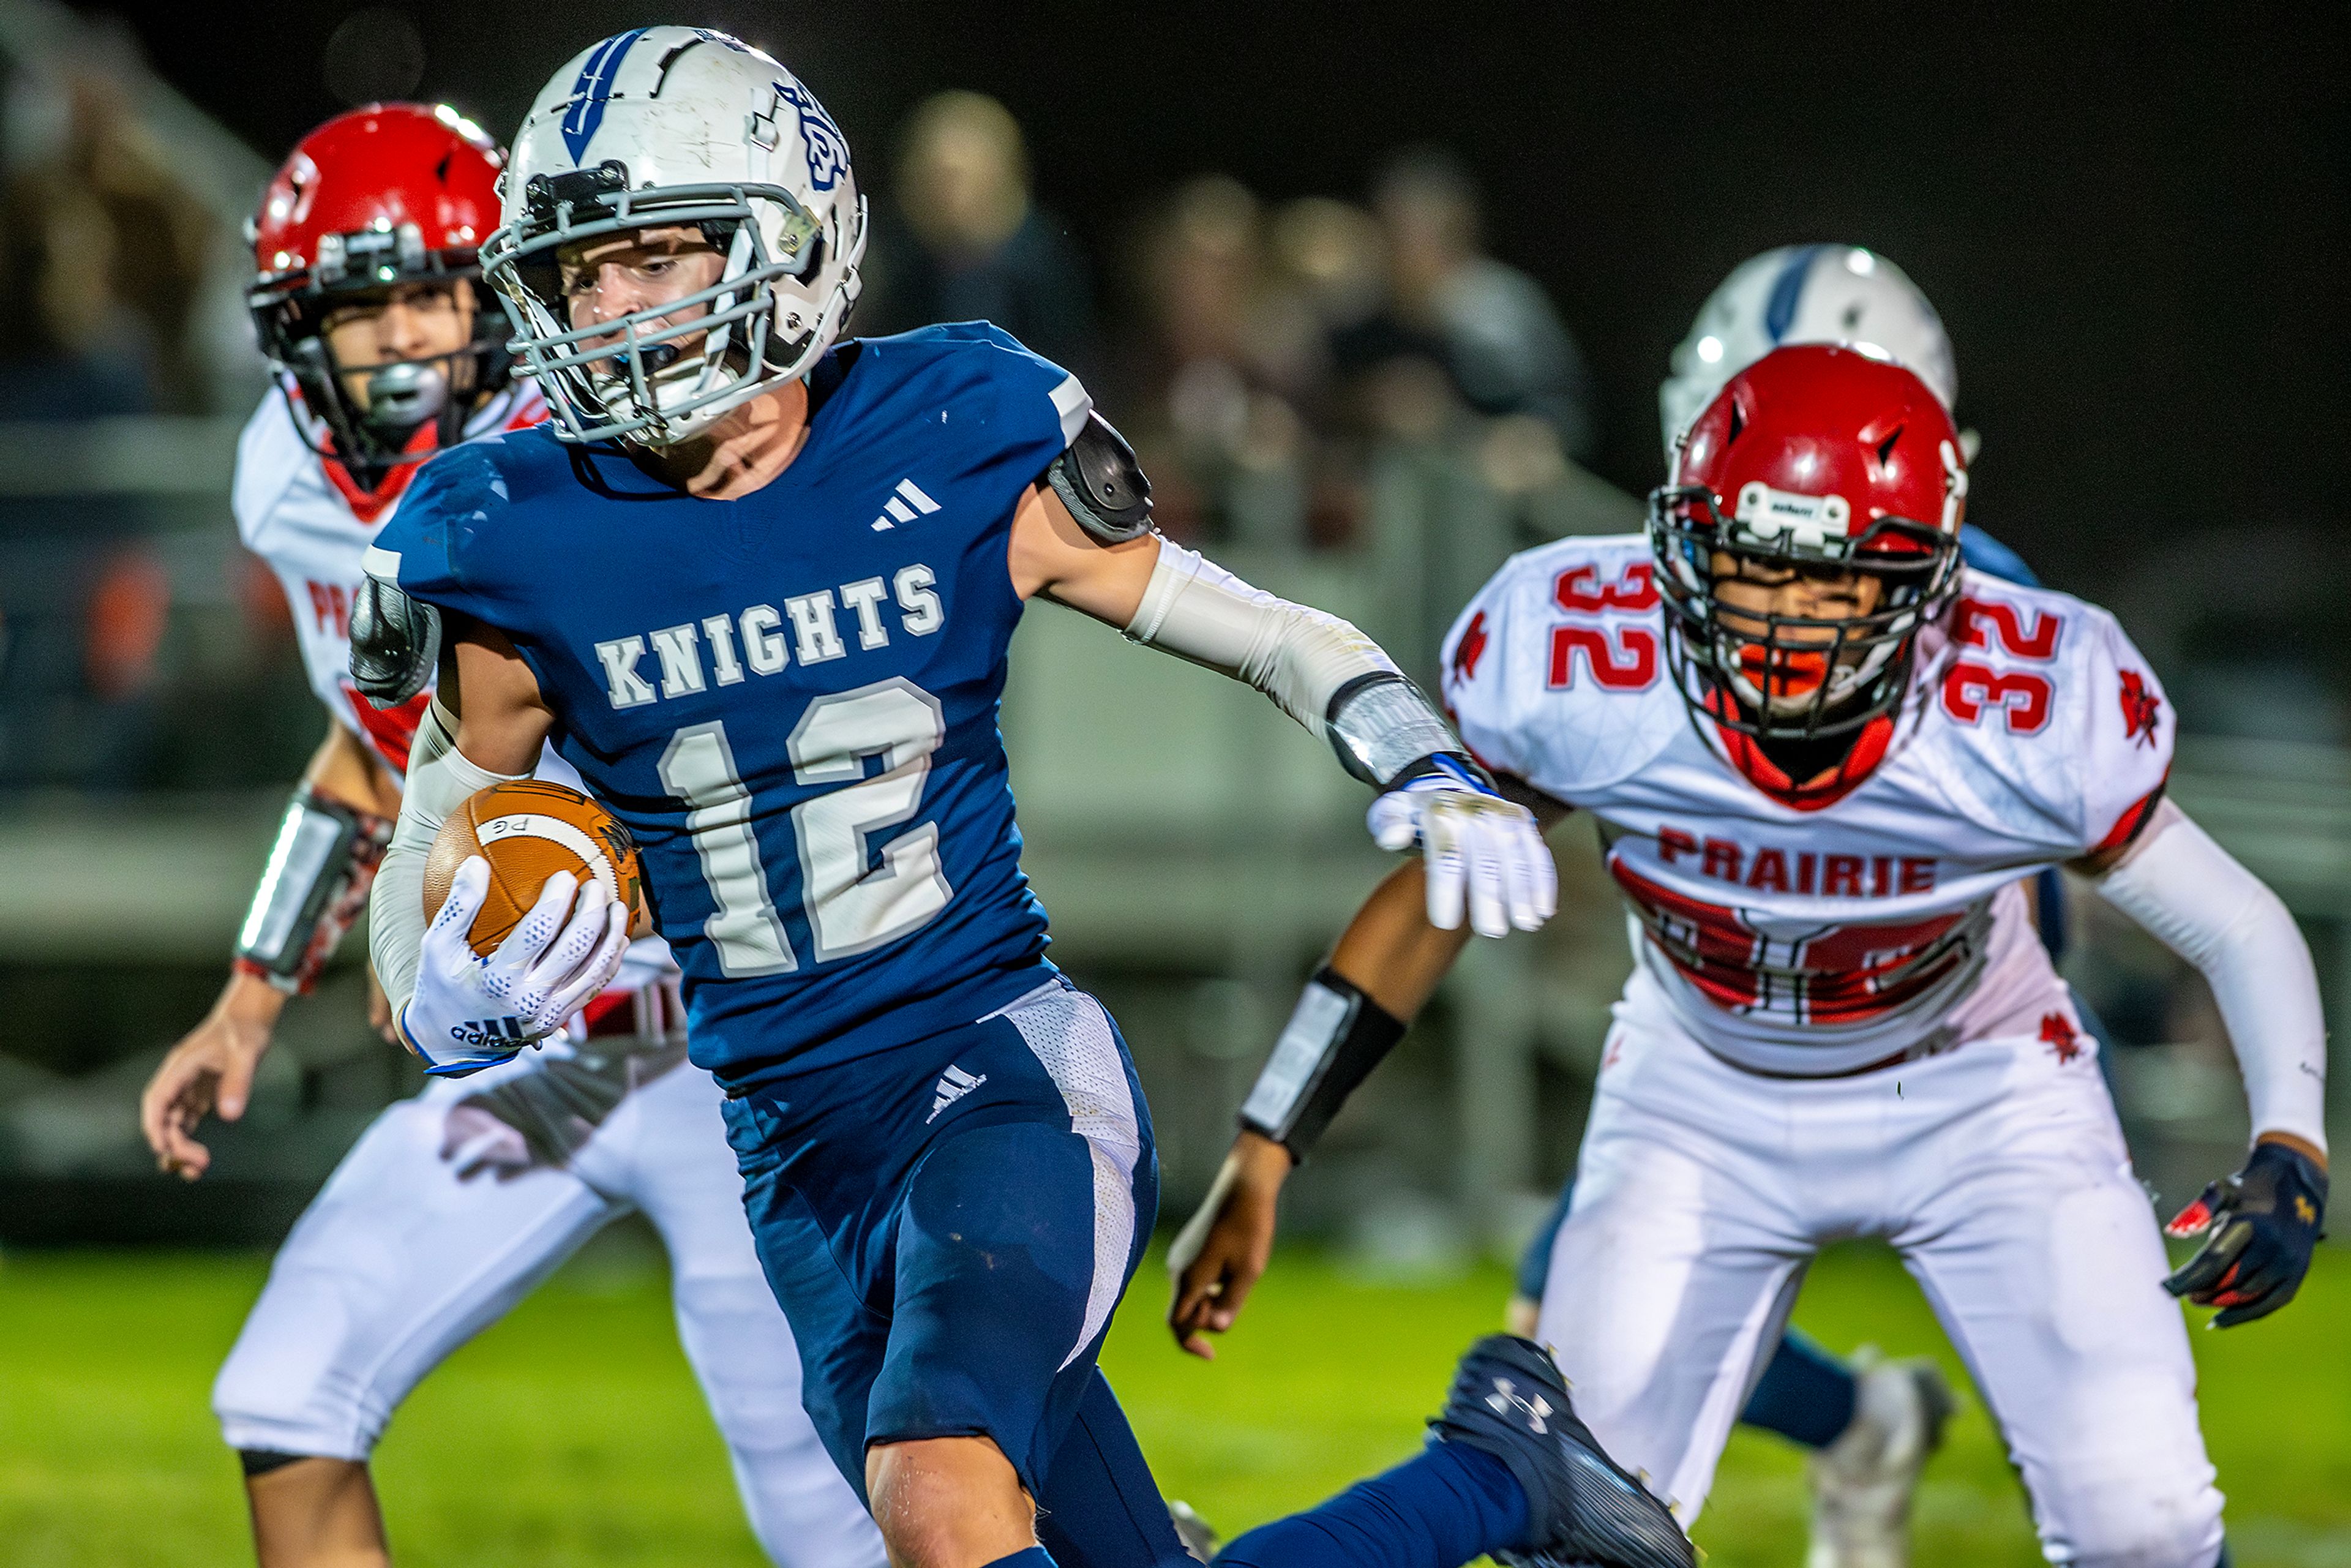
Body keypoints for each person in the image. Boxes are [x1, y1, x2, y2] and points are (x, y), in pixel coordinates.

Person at [353, 29, 1687, 1568]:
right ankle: (1497, 1475)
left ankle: (1499, 1475)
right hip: (790, 1150)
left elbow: (1260, 626)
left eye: (657, 258)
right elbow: (421, 905)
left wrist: (1419, 752)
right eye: (581, 274)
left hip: (1000, 1077)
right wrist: (459, 990)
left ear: (790, 239)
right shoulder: (515, 532)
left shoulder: (954, 424)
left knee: (941, 1492)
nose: (610, 310)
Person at [1174, 344, 2327, 1567]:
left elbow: (2237, 921)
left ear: (1929, 586)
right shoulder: (1579, 657)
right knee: (1573, 1517)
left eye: (1829, 584)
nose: (1779, 614)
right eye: (1748, 568)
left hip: (1977, 1081)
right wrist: (1264, 1144)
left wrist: (2291, 1146)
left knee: (2142, 1526)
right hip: (1699, 1085)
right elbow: (1433, 898)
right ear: (1682, 543)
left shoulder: (2029, 693)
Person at [135, 102, 883, 1568]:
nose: (408, 337)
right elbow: (368, 757)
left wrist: (495, 874)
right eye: (367, 305)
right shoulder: (289, 488)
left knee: (853, 1532)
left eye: (435, 293)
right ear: (301, 330)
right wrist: (250, 995)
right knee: (286, 1394)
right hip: (528, 1043)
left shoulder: (609, 448)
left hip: (720, 1043)